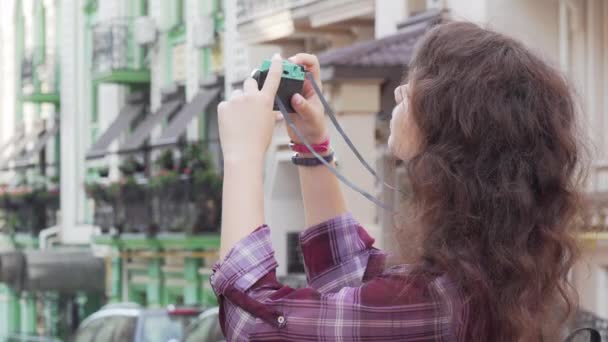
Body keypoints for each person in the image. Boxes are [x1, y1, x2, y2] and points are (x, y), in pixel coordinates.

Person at [211, 21, 584, 342]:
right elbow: (347, 280)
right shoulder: (474, 281)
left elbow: (252, 325)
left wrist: (242, 155)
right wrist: (312, 146)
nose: (400, 91)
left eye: (419, 83)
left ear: (456, 127)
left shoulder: (434, 302)